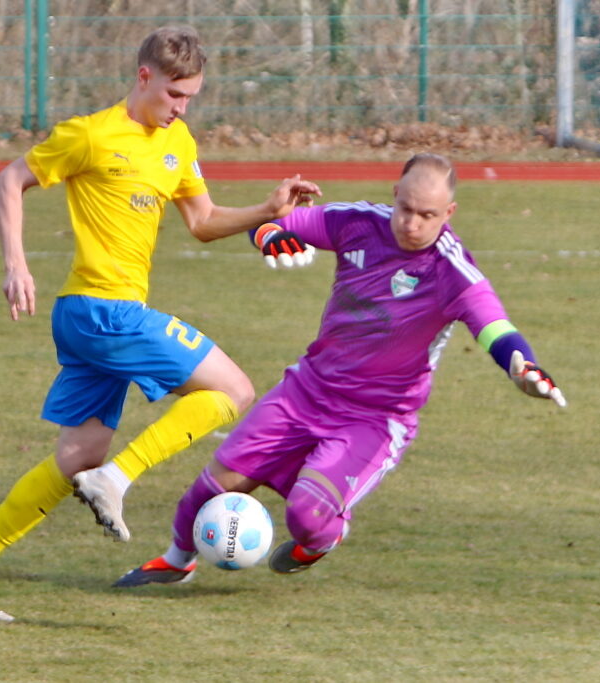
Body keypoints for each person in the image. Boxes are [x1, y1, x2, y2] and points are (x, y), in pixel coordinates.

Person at [0, 25, 321, 621]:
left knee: (77, 456)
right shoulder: (90, 134)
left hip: (95, 320)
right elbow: (10, 179)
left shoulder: (178, 142)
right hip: (102, 311)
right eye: (174, 94)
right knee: (234, 389)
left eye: (190, 97)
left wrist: (267, 210)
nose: (181, 107)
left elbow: (203, 220)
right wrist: (16, 265)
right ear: (144, 77)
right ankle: (117, 479)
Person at [113, 152, 566, 587]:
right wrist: (270, 236)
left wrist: (521, 366)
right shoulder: (358, 222)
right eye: (405, 208)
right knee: (216, 483)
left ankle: (324, 537)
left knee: (306, 516)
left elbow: (495, 327)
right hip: (306, 390)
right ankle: (177, 561)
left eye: (427, 215)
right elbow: (275, 223)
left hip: (375, 417)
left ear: (449, 213)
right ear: (395, 194)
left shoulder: (452, 271)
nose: (411, 223)